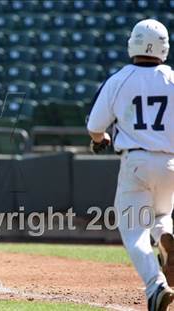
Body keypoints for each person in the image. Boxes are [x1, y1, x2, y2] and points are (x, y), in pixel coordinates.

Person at [87, 19, 174, 311]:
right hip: (170, 163)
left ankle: (155, 285)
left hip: (136, 161)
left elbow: (95, 125)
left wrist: (100, 139)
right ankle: (164, 236)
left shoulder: (119, 79)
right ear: (164, 47)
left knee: (133, 229)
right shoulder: (172, 78)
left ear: (133, 44)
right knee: (162, 213)